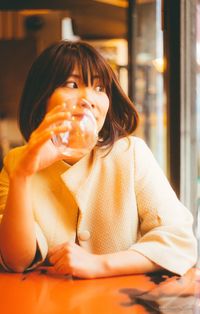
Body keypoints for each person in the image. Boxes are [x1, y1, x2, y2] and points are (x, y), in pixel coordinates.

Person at [0, 40, 197, 278]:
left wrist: (99, 264)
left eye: (100, 88)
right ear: (41, 97)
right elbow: (16, 261)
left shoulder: (131, 154)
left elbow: (180, 242)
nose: (89, 99)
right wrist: (22, 176)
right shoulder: (17, 162)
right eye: (72, 84)